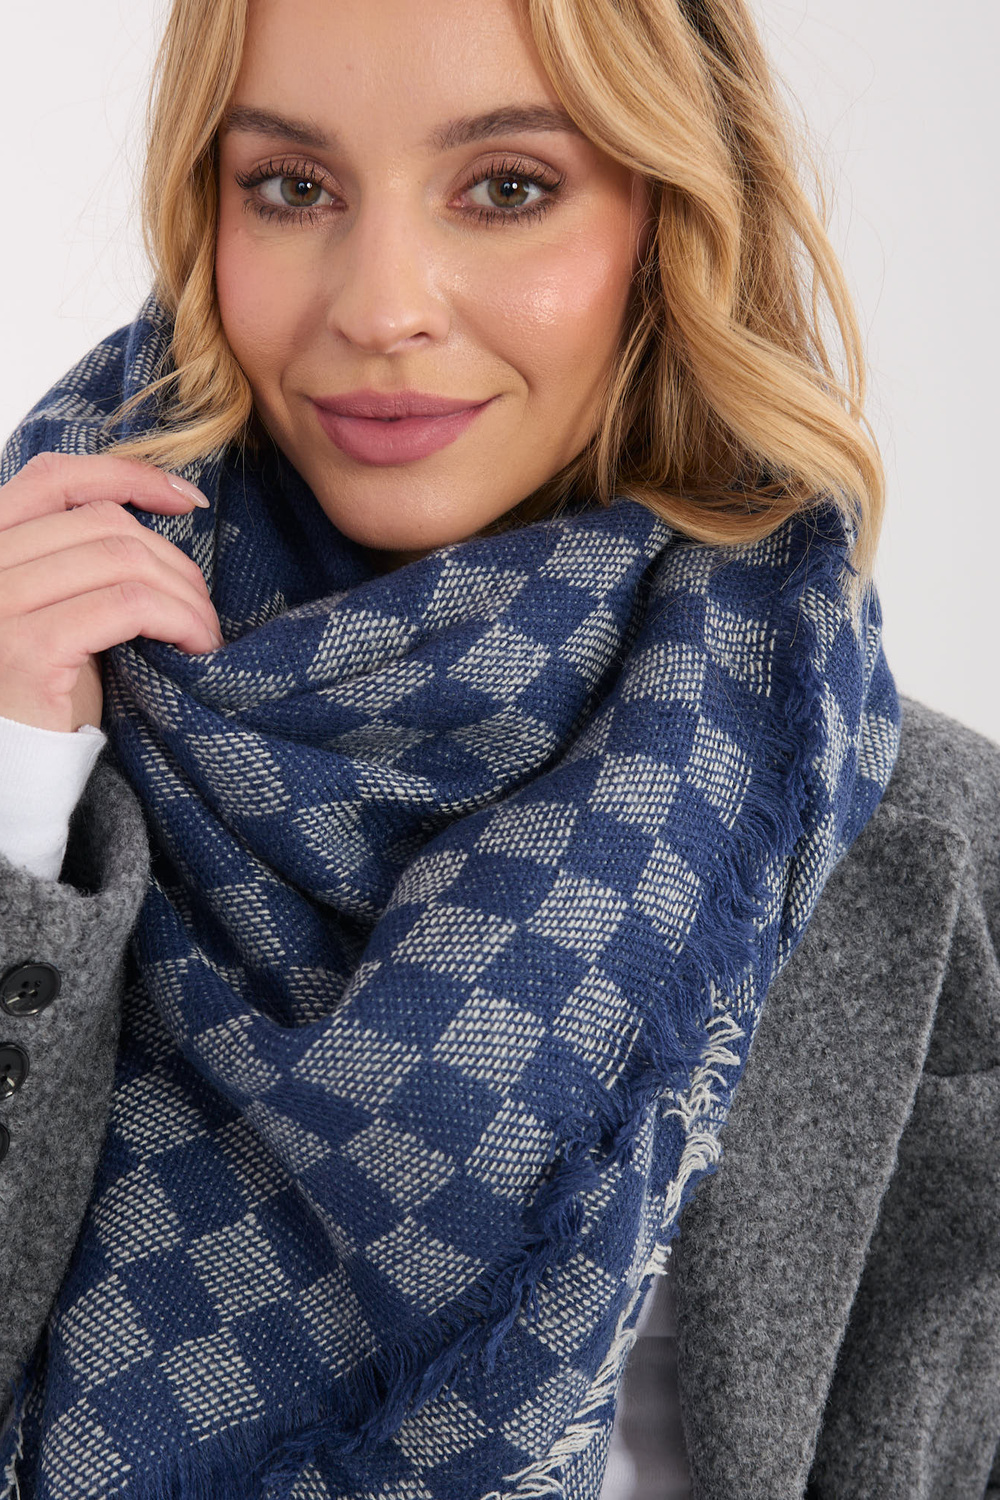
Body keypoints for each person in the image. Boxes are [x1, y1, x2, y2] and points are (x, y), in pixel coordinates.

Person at [0, 0, 994, 1496]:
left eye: (508, 188)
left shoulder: (919, 832)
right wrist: (17, 786)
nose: (382, 305)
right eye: (292, 186)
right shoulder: (45, 740)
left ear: (672, 219)